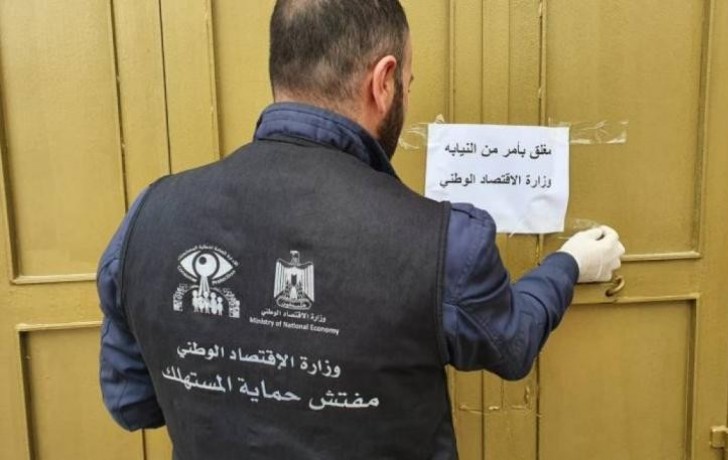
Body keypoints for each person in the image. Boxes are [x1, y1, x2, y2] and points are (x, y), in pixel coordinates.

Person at [97, 1, 625, 458]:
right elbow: (509, 343)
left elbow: (132, 404)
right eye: (408, 85)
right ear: (384, 81)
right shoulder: (443, 242)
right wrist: (569, 264)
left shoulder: (149, 217)